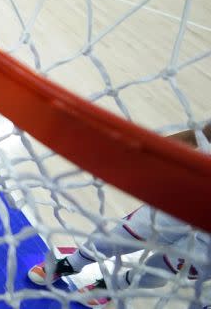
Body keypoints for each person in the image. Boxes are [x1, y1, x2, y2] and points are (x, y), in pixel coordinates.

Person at [27, 125, 211, 307]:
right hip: (191, 193)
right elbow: (198, 136)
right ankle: (72, 263)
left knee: (174, 265)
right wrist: (150, 155)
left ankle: (114, 286)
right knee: (129, 233)